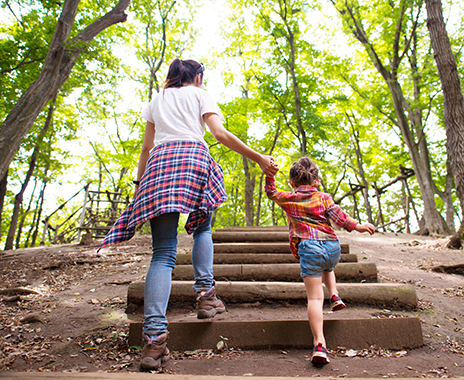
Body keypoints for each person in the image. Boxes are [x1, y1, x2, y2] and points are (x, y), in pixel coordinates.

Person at [98, 58, 277, 371]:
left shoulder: (158, 99)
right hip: (193, 160)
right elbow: (219, 134)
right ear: (197, 76)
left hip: (158, 167)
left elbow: (145, 149)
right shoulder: (199, 95)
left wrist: (141, 184)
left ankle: (153, 342)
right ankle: (206, 297)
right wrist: (259, 158)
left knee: (163, 254)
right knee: (202, 231)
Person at [264, 156, 375, 365]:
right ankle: (334, 295)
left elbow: (271, 193)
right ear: (316, 182)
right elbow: (340, 218)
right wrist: (358, 226)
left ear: (292, 183)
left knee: (315, 298)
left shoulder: (289, 198)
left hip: (309, 248)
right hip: (333, 246)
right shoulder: (325, 197)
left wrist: (270, 175)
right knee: (328, 265)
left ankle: (319, 344)